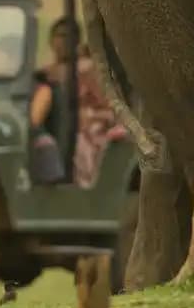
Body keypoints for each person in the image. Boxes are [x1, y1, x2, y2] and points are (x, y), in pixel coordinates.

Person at [27, 17, 127, 189]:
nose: (62, 42)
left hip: (90, 126)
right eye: (59, 36)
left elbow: (110, 106)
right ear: (51, 41)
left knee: (81, 142)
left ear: (77, 41)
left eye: (68, 37)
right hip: (59, 122)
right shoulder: (49, 73)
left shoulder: (88, 69)